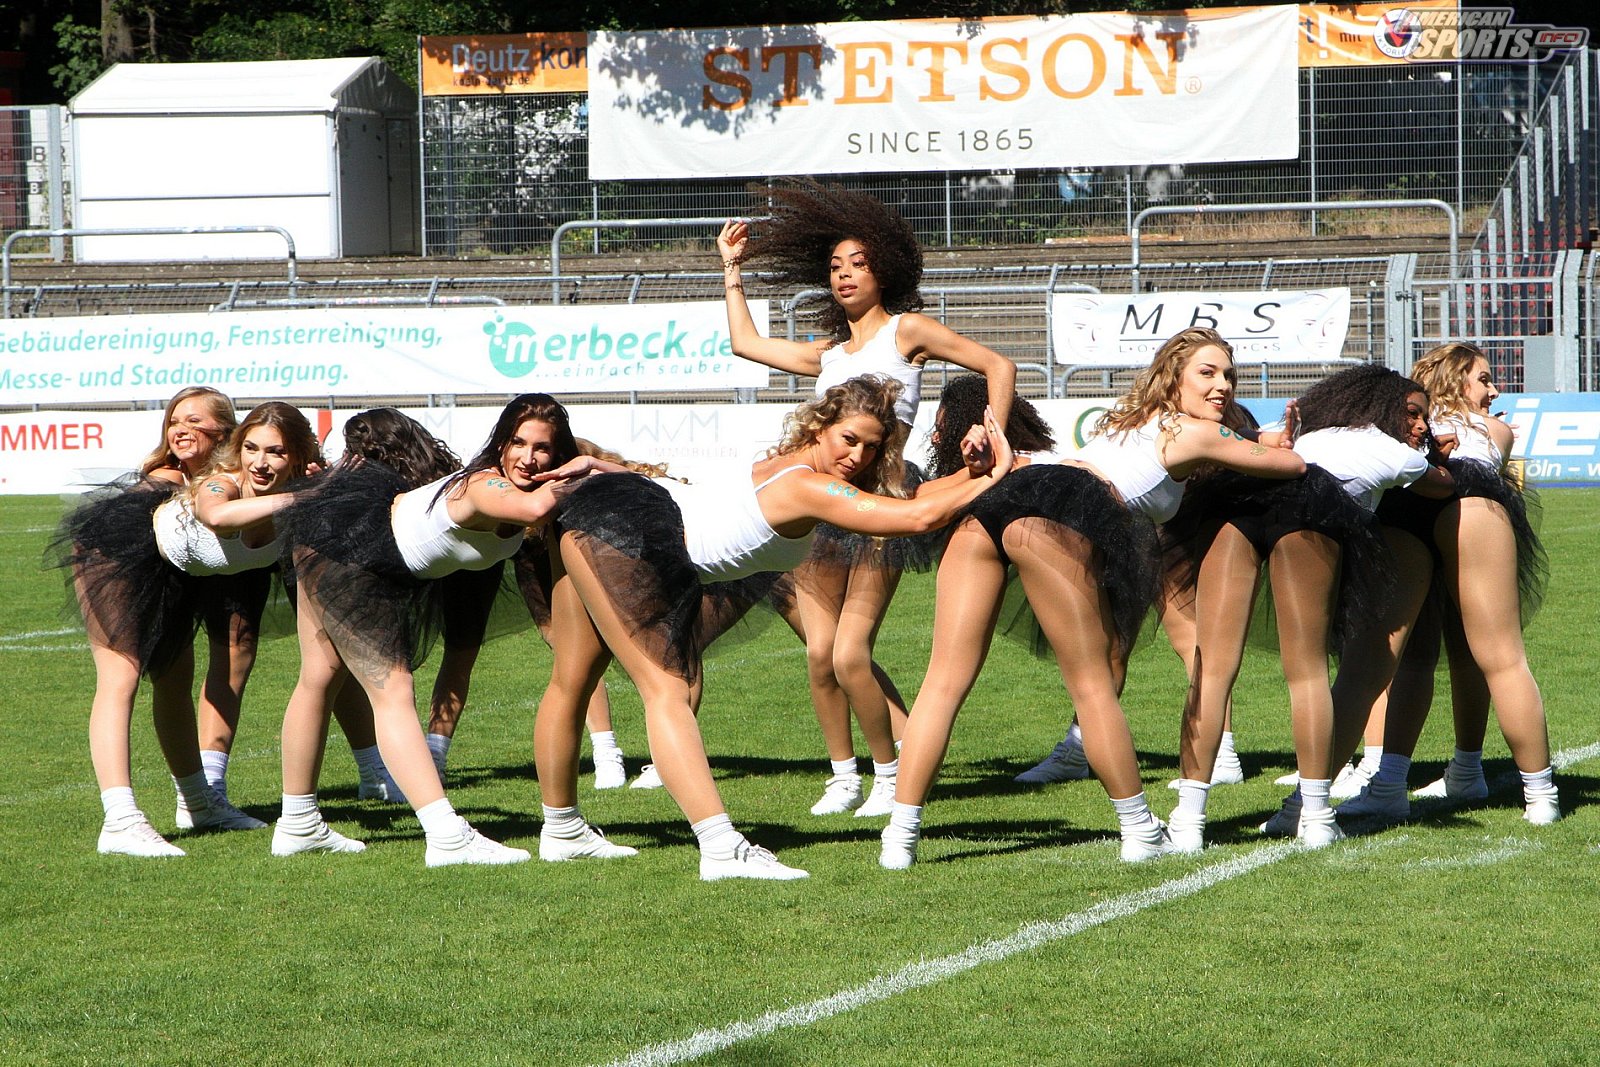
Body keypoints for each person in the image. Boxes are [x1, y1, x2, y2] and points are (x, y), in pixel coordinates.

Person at [540, 375, 1012, 880]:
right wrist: (999, 470)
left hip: (609, 516)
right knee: (668, 690)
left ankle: (561, 830)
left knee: (573, 679)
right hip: (619, 534)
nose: (857, 456)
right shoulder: (806, 486)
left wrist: (973, 472)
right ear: (821, 426)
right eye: (849, 439)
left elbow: (910, 498)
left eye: (872, 447)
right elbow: (917, 518)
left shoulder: (784, 464)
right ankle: (721, 848)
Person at [880, 327, 1304, 869]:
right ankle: (1139, 829)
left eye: (1229, 375)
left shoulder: (1131, 421)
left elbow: (1238, 447)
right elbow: (1290, 467)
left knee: (942, 681)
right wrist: (1279, 443)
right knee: (1092, 685)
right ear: (1173, 377)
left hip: (1001, 499)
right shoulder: (1194, 431)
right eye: (1207, 372)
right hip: (1058, 512)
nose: (1222, 384)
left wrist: (1261, 438)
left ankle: (899, 837)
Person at [718, 180, 1017, 818]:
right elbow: (746, 344)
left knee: (851, 653)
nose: (845, 275)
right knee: (820, 654)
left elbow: (999, 366)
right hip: (824, 506)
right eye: (835, 267)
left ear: (886, 270)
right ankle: (844, 776)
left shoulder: (907, 332)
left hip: (884, 506)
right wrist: (732, 270)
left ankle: (887, 775)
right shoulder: (830, 354)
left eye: (858, 263)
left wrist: (990, 434)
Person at [272, 402, 592, 866]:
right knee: (392, 690)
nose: (528, 458)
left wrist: (590, 463)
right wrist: (585, 469)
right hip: (352, 546)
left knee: (318, 677)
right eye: (517, 443)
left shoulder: (504, 481)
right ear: (500, 444)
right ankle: (446, 836)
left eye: (542, 448)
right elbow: (537, 507)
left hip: (330, 536)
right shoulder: (485, 485)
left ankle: (298, 823)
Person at [1166, 363, 1448, 852]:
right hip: (1309, 518)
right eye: (1413, 414)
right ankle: (1315, 815)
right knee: (1308, 672)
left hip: (1237, 508)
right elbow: (1441, 485)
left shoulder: (1314, 432)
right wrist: (1439, 456)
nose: (1420, 425)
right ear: (1383, 408)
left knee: (1211, 668)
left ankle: (1187, 819)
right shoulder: (1392, 451)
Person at [1335, 342, 1557, 825]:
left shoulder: (1406, 421)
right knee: (1502, 658)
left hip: (1407, 508)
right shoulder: (1495, 429)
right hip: (1471, 503)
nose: (1494, 391)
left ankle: (1386, 785)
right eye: (1484, 379)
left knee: (1407, 659)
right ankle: (1541, 795)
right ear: (1456, 380)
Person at [55, 390, 282, 856]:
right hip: (112, 555)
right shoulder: (167, 477)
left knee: (175, 677)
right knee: (120, 675)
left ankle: (198, 802)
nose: (180, 430)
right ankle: (120, 819)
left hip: (168, 567)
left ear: (225, 431)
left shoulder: (230, 474)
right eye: (175, 421)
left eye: (194, 422)